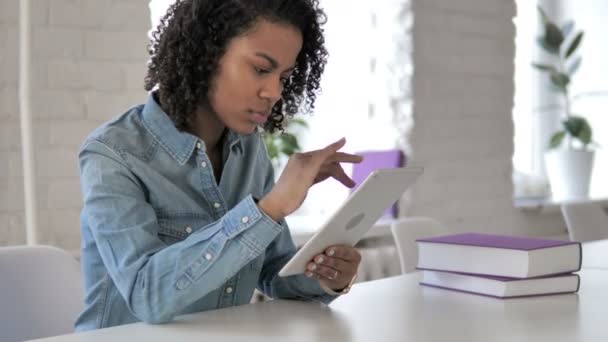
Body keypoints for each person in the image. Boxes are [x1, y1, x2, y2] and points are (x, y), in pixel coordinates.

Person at [75, 0, 363, 331]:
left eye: (283, 76)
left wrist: (325, 278)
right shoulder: (112, 153)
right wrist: (269, 209)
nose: (274, 92)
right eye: (260, 69)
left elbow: (271, 271)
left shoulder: (249, 148)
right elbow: (146, 295)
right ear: (206, 55)